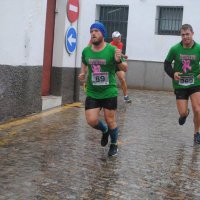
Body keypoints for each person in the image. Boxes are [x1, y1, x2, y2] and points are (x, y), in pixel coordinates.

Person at [78, 22, 128, 156]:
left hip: (108, 91)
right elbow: (84, 60)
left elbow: (125, 68)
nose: (93, 33)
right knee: (91, 120)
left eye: (96, 31)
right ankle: (104, 130)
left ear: (103, 34)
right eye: (91, 31)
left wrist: (118, 61)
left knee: (110, 119)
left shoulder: (111, 50)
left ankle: (114, 144)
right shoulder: (86, 50)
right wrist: (83, 73)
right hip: (93, 91)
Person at [164, 24, 200, 144]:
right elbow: (167, 64)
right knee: (183, 112)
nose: (185, 37)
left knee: (198, 109)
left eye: (187, 34)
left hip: (195, 82)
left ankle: (196, 133)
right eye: (183, 35)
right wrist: (173, 73)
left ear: (192, 34)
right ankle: (185, 114)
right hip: (180, 84)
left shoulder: (198, 48)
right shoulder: (175, 49)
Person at [110, 31, 132, 103]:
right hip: (111, 64)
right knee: (109, 80)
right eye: (117, 37)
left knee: (122, 79)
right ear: (113, 38)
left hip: (118, 63)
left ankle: (126, 97)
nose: (119, 38)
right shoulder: (110, 45)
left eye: (120, 36)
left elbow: (119, 53)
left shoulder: (121, 44)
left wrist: (123, 56)